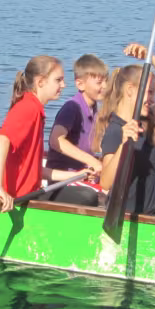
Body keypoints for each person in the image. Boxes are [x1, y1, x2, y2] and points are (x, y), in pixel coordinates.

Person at [94, 43, 155, 217]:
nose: (152, 99)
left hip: (153, 212)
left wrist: (152, 59)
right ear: (130, 90)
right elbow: (105, 182)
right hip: (129, 216)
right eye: (149, 93)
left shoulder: (146, 120)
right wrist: (124, 144)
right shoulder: (115, 130)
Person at [0, 55, 80, 212]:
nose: (64, 85)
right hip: (13, 198)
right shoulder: (28, 108)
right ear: (40, 82)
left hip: (30, 193)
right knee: (86, 197)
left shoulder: (36, 109)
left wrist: (75, 175)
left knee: (86, 194)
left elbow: (35, 170)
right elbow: (2, 141)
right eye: (58, 80)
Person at [44, 54, 108, 206]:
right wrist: (91, 161)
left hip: (83, 176)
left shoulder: (94, 109)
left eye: (106, 81)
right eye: (99, 82)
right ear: (80, 84)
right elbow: (55, 140)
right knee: (105, 198)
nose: (105, 86)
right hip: (63, 181)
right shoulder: (72, 107)